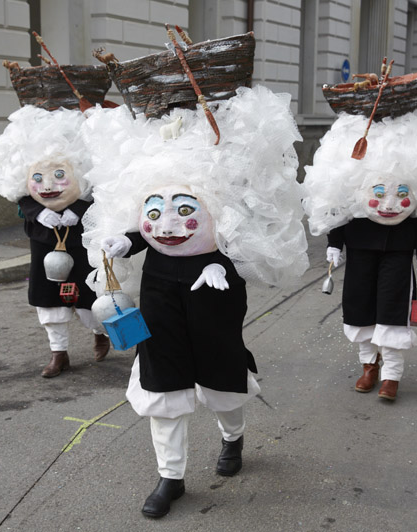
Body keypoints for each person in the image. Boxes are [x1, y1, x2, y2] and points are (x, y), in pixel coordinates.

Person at [87, 85, 308, 519]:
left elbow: (239, 232)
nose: (168, 223)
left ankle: (233, 436)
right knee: (161, 379)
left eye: (184, 210)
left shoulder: (224, 203)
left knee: (221, 375)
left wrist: (220, 264)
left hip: (213, 293)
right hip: (158, 291)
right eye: (155, 212)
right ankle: (171, 476)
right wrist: (126, 241)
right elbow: (149, 228)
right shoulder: (152, 209)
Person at [303, 105, 417, 402]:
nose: (389, 204)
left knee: (393, 309)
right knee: (359, 306)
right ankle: (368, 365)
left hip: (399, 249)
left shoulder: (409, 151)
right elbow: (339, 204)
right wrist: (334, 243)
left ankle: (392, 374)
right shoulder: (354, 147)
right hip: (360, 245)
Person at [0, 106, 108, 378]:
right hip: (43, 242)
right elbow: (22, 194)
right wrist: (38, 213)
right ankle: (58, 353)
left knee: (90, 295)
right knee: (48, 298)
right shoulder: (29, 164)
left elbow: (95, 191)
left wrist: (76, 212)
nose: (49, 186)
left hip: (80, 242)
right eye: (40, 179)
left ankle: (100, 334)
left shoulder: (82, 165)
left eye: (59, 178)